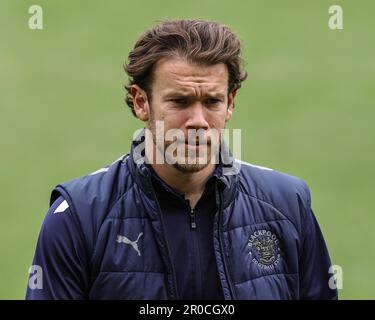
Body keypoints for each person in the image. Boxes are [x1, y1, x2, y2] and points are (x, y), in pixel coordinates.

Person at [26, 19, 337, 300]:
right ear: (141, 102)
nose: (198, 120)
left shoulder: (288, 205)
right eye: (180, 101)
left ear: (230, 103)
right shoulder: (78, 217)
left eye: (212, 101)